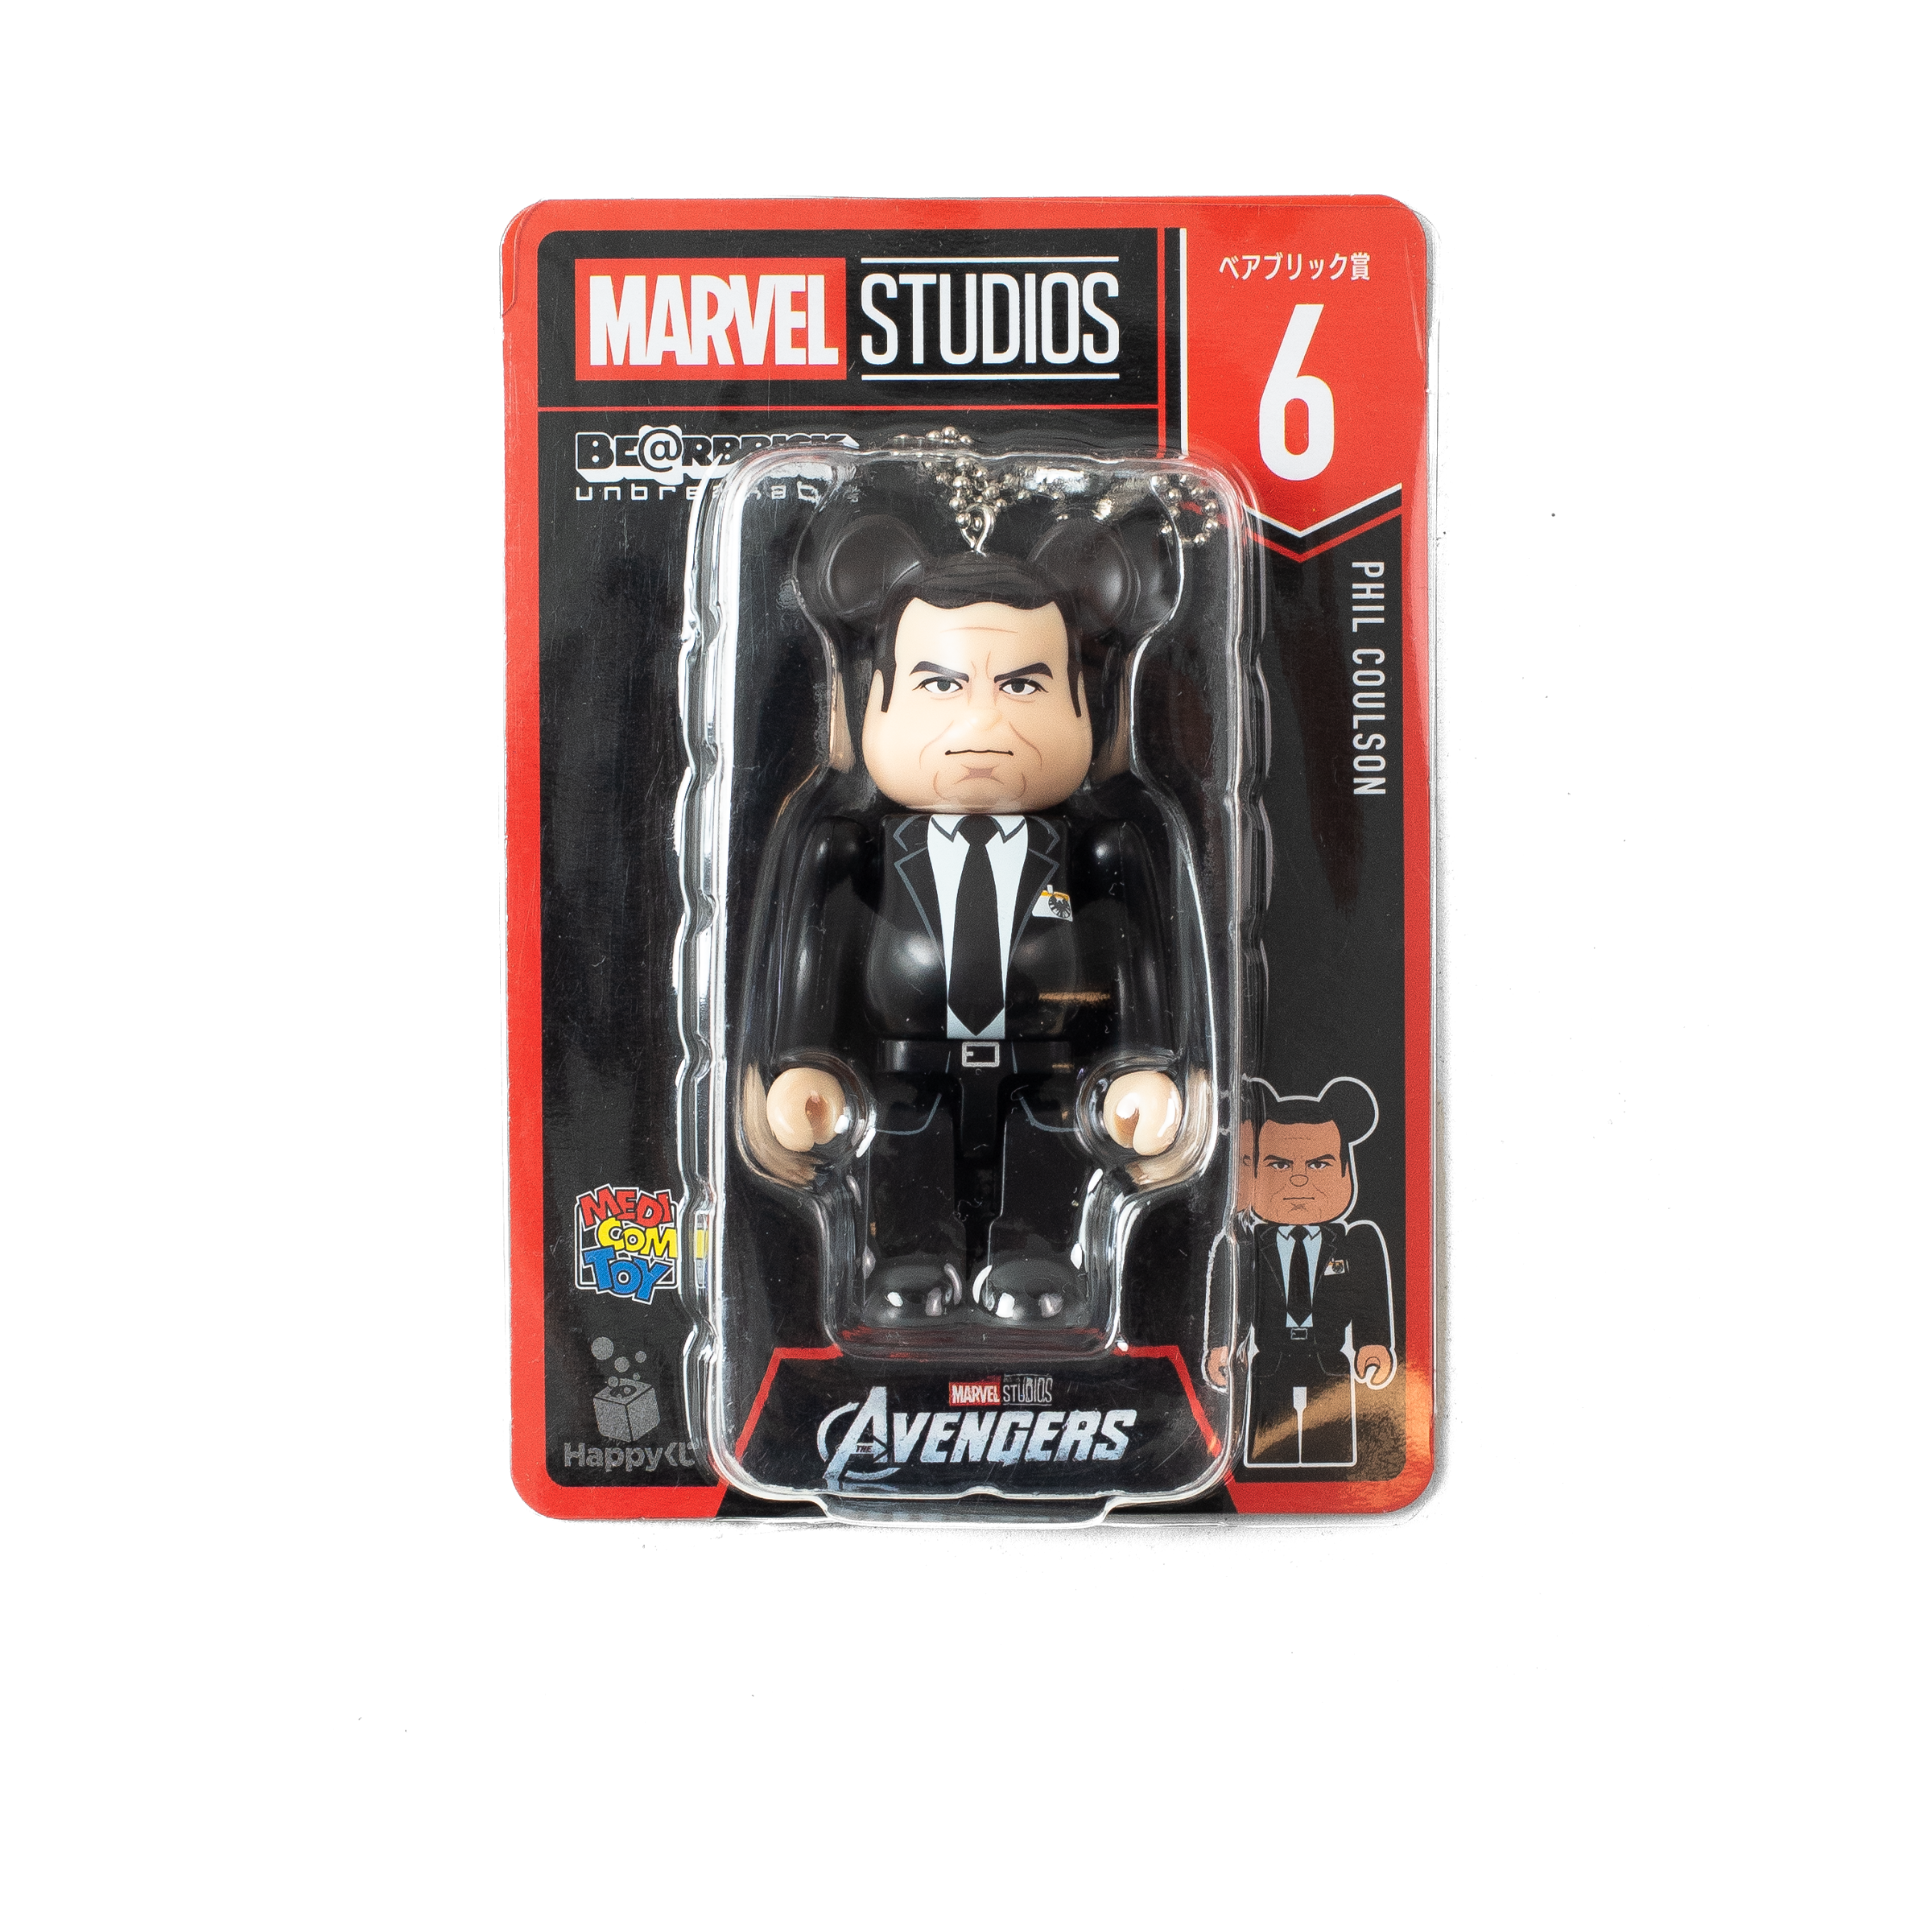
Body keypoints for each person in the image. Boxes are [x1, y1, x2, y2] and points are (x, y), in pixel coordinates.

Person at [758, 510, 1184, 1334]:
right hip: (907, 1071)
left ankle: (1034, 1251)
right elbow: (813, 951)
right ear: (874, 702)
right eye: (941, 685)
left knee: (1044, 1156)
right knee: (907, 1151)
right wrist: (802, 1061)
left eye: (1022, 686)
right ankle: (911, 1252)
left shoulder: (1097, 850)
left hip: (1047, 1072)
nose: (983, 724)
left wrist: (1144, 1065)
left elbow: (1141, 955)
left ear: (1083, 705)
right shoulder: (855, 848)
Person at [1208, 1077, 1395, 1468]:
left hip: (1331, 1363)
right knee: (1263, 1453)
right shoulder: (1241, 1246)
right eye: (1278, 1164)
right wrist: (1222, 1344)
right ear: (1252, 1173)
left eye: (1318, 1164)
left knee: (1332, 1454)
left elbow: (1368, 1298)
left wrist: (1373, 1344)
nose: (1298, 1179)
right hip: (1267, 1365)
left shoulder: (1356, 1244)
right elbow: (1230, 1296)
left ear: (1346, 1172)